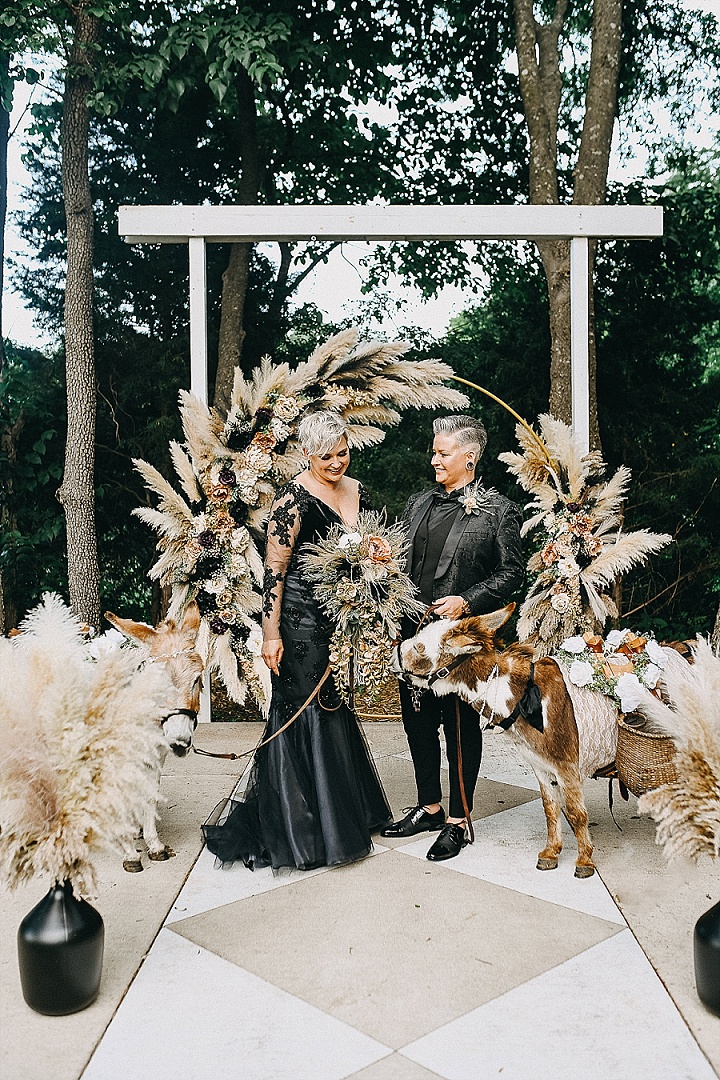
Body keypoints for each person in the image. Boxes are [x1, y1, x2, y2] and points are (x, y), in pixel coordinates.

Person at [203, 411, 391, 871]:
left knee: (336, 704)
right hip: (300, 621)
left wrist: (376, 553)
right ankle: (306, 830)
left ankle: (344, 814)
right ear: (306, 454)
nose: (336, 463)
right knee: (305, 708)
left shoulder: (356, 489)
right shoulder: (292, 500)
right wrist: (270, 632)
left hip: (342, 613)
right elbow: (275, 571)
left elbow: (363, 542)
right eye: (325, 456)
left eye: (343, 452)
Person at [382, 414, 523, 861]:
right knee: (418, 724)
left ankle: (459, 821)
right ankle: (429, 806)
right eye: (434, 451)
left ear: (470, 456)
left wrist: (468, 599)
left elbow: (513, 571)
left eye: (443, 453)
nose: (434, 459)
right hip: (413, 638)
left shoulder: (499, 511)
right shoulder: (418, 502)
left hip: (461, 646)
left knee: (461, 731)